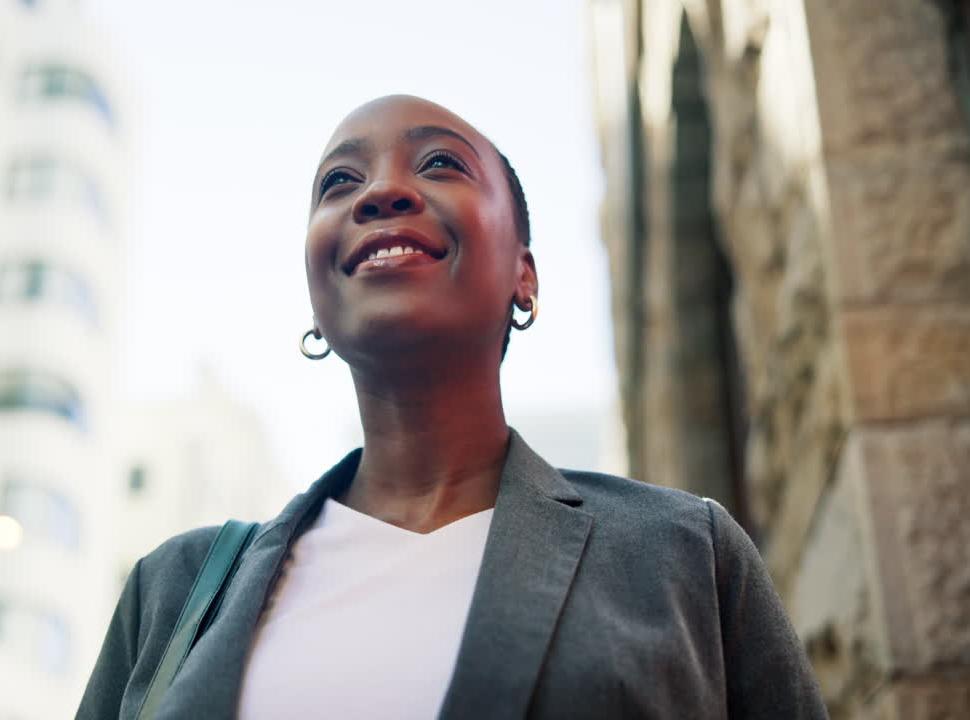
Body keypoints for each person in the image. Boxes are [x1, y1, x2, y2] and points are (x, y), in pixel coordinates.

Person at [77, 95, 828, 719]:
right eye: (339, 182)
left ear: (524, 276)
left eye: (439, 163)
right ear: (316, 294)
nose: (378, 192)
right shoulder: (174, 590)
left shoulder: (683, 554)